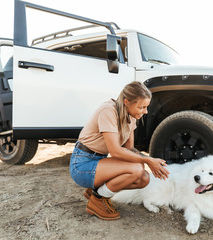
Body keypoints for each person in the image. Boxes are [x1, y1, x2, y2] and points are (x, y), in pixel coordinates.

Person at [69, 81, 170, 220]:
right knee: (136, 169)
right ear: (127, 101)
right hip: (82, 164)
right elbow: (115, 151)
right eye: (142, 107)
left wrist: (152, 161)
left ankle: (96, 192)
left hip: (100, 161)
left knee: (143, 178)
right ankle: (98, 200)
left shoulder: (131, 116)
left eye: (146, 107)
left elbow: (129, 150)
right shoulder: (108, 111)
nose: (145, 112)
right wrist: (147, 160)